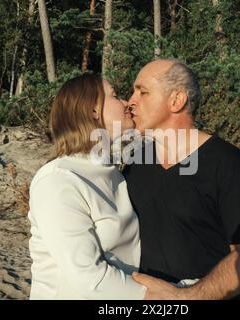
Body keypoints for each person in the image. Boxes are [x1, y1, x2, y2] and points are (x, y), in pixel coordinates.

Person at [123, 59, 240, 300]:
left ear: (176, 100)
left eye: (143, 92)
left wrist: (186, 297)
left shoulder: (228, 163)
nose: (131, 100)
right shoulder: (135, 162)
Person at [27, 74, 146, 299]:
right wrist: (175, 297)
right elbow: (89, 279)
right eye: (115, 95)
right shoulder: (58, 180)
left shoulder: (116, 174)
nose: (125, 103)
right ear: (92, 111)